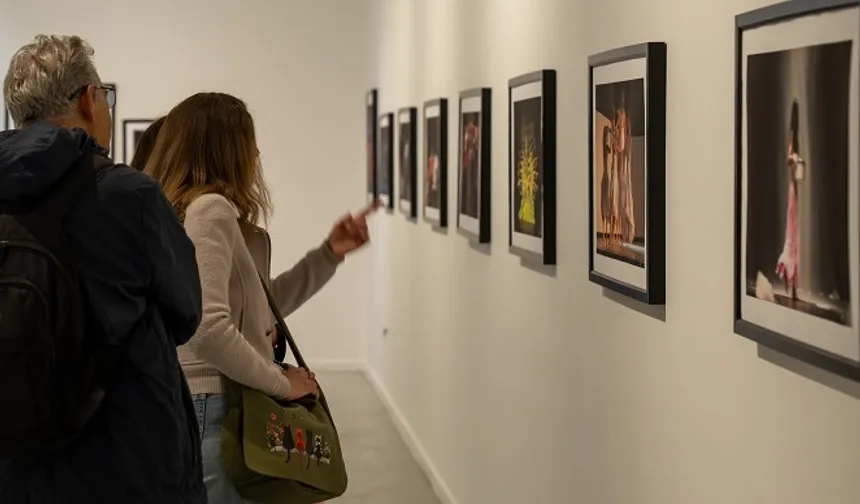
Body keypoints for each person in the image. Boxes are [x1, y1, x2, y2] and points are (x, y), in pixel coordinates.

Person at [0, 35, 205, 503]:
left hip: (17, 459)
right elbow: (186, 312)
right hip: (124, 452)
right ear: (90, 99)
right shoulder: (127, 195)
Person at [144, 92, 377, 503]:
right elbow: (208, 329)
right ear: (226, 147)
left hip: (215, 403)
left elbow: (261, 311)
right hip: (215, 405)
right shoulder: (210, 210)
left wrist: (328, 255)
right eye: (248, 142)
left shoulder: (209, 214)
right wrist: (282, 383)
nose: (256, 154)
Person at [776, 99, 804, 301]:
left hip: (793, 187)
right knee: (792, 232)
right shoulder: (793, 137)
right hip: (793, 188)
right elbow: (789, 158)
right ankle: (792, 284)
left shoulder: (794, 137)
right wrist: (796, 160)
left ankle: (792, 285)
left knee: (792, 233)